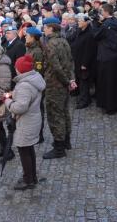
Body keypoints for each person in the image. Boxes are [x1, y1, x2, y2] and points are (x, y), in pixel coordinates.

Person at [3, 54, 46, 190]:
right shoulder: (34, 79)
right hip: (33, 119)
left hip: (25, 123)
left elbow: (20, 107)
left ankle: (28, 180)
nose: (14, 69)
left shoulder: (24, 86)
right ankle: (32, 176)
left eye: (16, 67)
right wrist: (13, 95)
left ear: (20, 70)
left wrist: (7, 101)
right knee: (29, 149)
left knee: (24, 150)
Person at [42, 17, 75, 159]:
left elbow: (56, 67)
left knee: (55, 115)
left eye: (45, 27)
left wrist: (67, 81)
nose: (44, 29)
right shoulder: (64, 41)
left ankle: (59, 147)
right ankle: (66, 141)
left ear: (51, 28)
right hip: (64, 82)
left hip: (55, 84)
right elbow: (71, 61)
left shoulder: (50, 44)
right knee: (64, 112)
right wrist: (71, 79)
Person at [92, 4, 117, 114]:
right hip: (115, 55)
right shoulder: (115, 21)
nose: (101, 13)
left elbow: (96, 35)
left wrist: (96, 23)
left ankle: (109, 106)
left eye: (102, 11)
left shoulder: (106, 24)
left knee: (107, 82)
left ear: (106, 12)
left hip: (106, 56)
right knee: (116, 81)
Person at [71, 13, 96, 109]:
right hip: (78, 60)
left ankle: (85, 100)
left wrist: (85, 63)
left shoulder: (89, 34)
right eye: (78, 21)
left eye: (81, 21)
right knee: (80, 81)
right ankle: (83, 98)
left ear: (86, 22)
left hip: (84, 63)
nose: (78, 22)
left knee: (84, 81)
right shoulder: (79, 31)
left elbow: (89, 50)